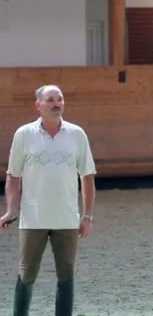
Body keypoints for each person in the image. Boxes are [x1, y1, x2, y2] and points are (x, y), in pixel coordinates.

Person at [0, 84, 96, 316]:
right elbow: (13, 176)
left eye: (60, 99)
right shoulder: (24, 135)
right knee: (27, 274)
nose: (56, 104)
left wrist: (87, 216)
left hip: (67, 219)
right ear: (38, 105)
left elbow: (87, 176)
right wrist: (11, 210)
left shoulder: (77, 134)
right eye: (50, 100)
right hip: (33, 219)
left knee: (66, 275)